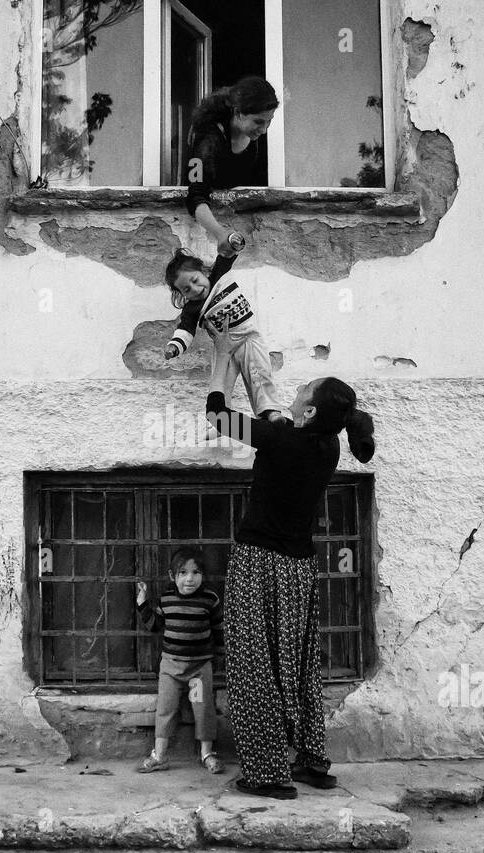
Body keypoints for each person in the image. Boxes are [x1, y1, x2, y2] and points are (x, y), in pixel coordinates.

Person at [204, 332, 376, 800]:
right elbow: (283, 428)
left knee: (253, 664)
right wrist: (278, 416)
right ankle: (310, 761)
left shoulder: (283, 440)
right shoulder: (327, 448)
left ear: (311, 412)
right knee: (296, 665)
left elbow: (217, 415)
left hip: (258, 563)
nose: (295, 391)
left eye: (303, 391)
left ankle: (267, 773)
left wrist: (222, 359)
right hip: (299, 568)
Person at [162, 246, 285, 421]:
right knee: (221, 386)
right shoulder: (191, 308)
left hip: (249, 338)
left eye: (195, 280)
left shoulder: (219, 274)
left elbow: (228, 253)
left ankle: (271, 412)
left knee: (260, 375)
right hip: (223, 348)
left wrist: (231, 240)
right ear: (181, 294)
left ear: (203, 271)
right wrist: (174, 346)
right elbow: (185, 330)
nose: (195, 289)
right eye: (187, 289)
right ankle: (224, 422)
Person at [135, 548, 226, 774]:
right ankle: (159, 754)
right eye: (183, 572)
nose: (189, 578)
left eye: (196, 572)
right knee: (166, 708)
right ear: (171, 575)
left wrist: (223, 657)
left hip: (198, 669)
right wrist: (142, 603)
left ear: (203, 575)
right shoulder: (167, 599)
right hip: (171, 668)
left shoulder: (210, 600)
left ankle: (207, 753)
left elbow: (219, 630)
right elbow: (155, 625)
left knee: (203, 709)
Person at [185, 77, 279, 254]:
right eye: (258, 121)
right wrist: (220, 233)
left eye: (269, 121)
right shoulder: (207, 137)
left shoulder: (259, 137)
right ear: (237, 113)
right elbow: (195, 195)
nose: (264, 129)